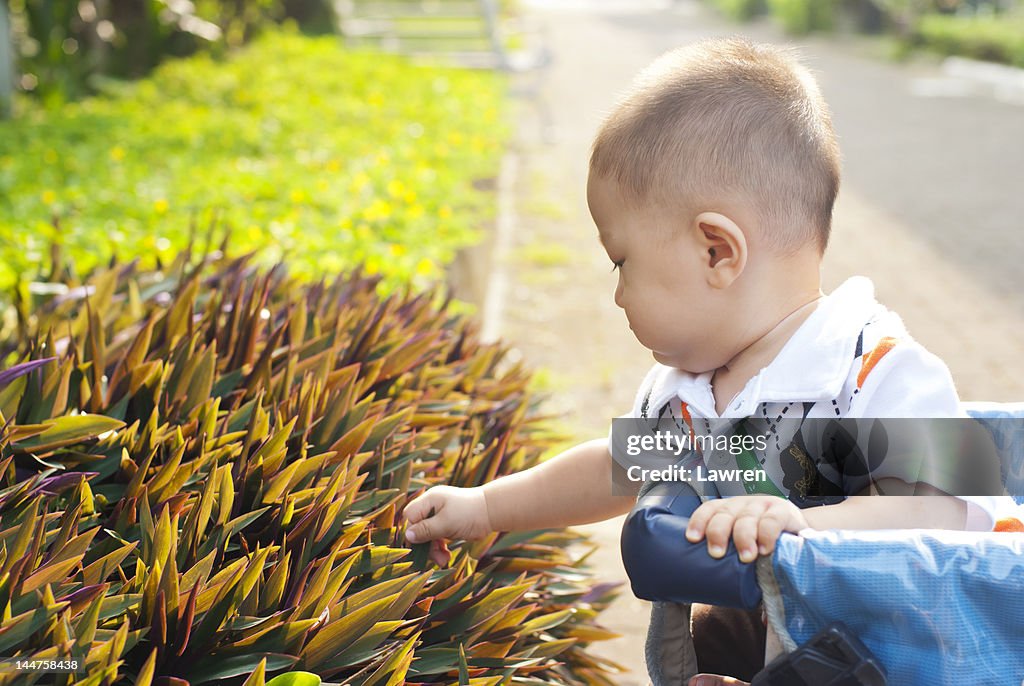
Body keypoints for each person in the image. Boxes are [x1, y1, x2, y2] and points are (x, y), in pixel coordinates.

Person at [402, 38, 1003, 685]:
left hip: (923, 648)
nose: (616, 294)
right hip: (787, 635)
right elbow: (615, 466)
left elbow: (940, 511)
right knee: (717, 631)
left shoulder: (867, 368)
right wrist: (488, 506)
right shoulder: (691, 398)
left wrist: (803, 525)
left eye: (622, 262)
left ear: (717, 251)